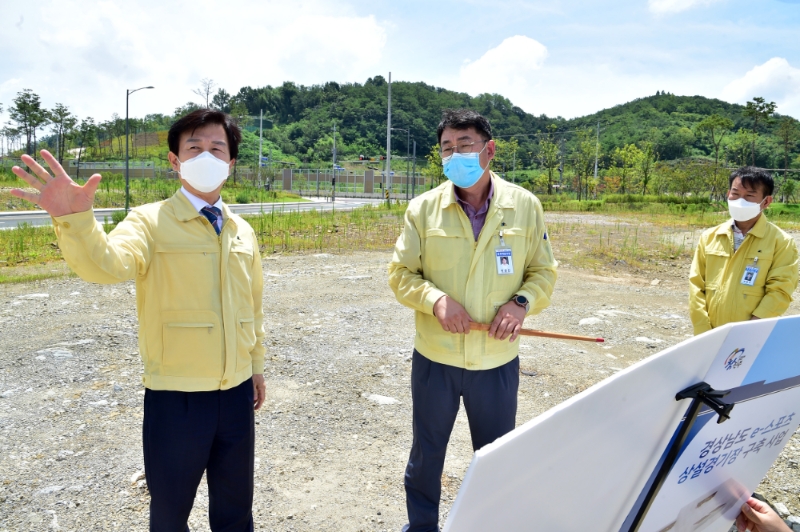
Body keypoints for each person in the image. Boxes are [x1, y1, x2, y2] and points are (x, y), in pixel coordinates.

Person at [11, 109, 266, 532]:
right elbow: (107, 265)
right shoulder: (149, 221)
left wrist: (255, 367)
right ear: (174, 160)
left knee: (236, 511)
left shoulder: (243, 230)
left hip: (236, 394)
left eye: (216, 148)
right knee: (169, 514)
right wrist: (75, 221)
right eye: (194, 147)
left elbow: (253, 307)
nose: (206, 155)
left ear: (231, 163)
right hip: (176, 398)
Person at [388, 109, 557, 532]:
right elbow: (401, 273)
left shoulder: (524, 206)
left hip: (496, 362)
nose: (455, 155)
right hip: (436, 358)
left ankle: (489, 524)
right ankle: (422, 526)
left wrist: (521, 303)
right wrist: (435, 300)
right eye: (447, 148)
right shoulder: (423, 209)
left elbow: (543, 272)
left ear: (489, 149)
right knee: (427, 453)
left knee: (496, 454)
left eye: (465, 146)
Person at [689, 167, 798, 335]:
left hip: (750, 336)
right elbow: (696, 286)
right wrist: (703, 329)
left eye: (749, 196)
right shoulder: (710, 237)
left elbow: (780, 291)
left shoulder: (781, 242)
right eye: (735, 194)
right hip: (707, 334)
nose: (740, 201)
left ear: (766, 202)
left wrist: (749, 331)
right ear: (728, 194)